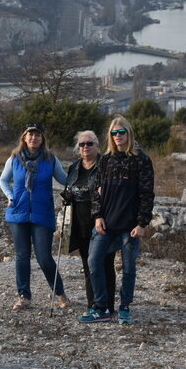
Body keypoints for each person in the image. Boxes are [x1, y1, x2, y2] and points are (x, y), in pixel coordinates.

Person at [79, 115, 155, 325]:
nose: (118, 136)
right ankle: (101, 307)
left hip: (130, 226)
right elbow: (95, 191)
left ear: (128, 134)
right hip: (106, 224)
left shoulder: (141, 159)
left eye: (122, 132)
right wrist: (98, 216)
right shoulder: (105, 160)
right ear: (110, 136)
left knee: (129, 269)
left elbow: (147, 193)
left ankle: (124, 307)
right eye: (114, 133)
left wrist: (142, 223)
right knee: (94, 261)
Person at [0, 123, 70, 310]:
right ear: (24, 138)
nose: (33, 138)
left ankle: (60, 293)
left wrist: (84, 173)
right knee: (22, 255)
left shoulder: (50, 159)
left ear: (42, 139)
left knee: (44, 257)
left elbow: (64, 180)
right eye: (30, 134)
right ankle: (24, 296)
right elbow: (3, 180)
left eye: (37, 135)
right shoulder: (14, 159)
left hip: (42, 213)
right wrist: (10, 196)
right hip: (18, 212)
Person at [62, 130, 116, 316]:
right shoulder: (74, 167)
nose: (85, 147)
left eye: (89, 143)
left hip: (102, 222)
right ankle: (92, 304)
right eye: (82, 144)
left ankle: (108, 305)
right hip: (80, 223)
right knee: (88, 266)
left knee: (105, 264)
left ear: (97, 145)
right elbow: (69, 188)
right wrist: (67, 195)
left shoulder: (106, 165)